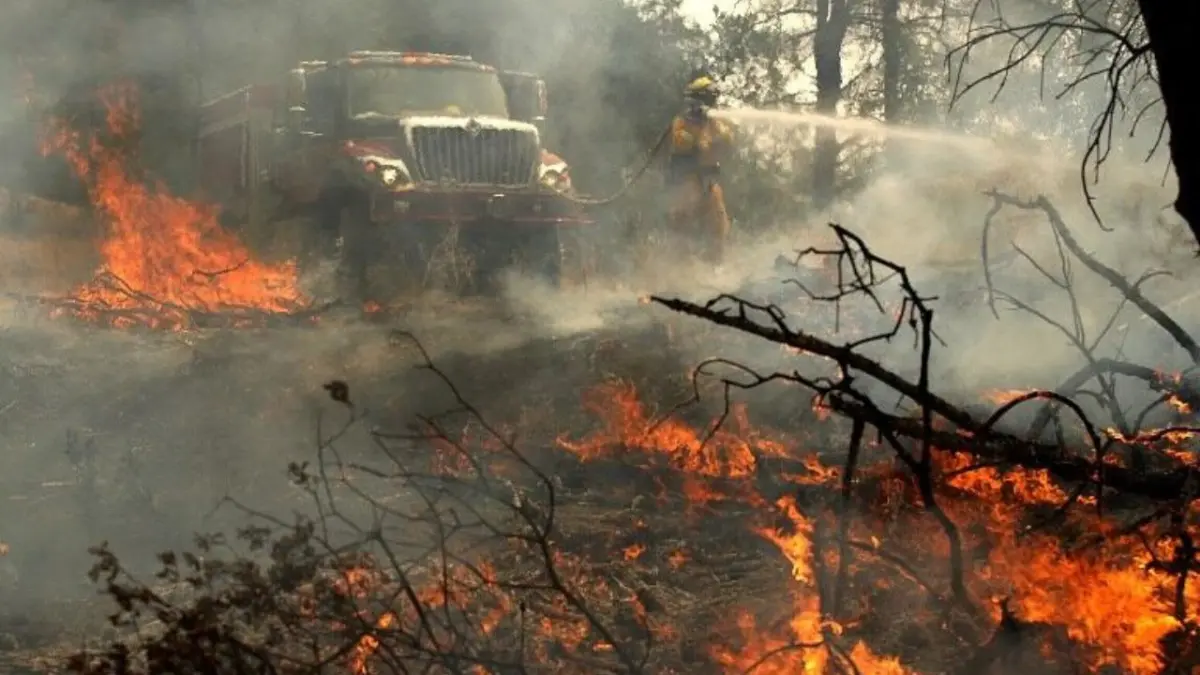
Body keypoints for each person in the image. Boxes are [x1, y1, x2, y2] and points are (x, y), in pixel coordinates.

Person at [664, 75, 736, 267]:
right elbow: (681, 142)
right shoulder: (682, 122)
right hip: (686, 179)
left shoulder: (715, 122)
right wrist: (698, 133)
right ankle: (681, 267)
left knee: (719, 221)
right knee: (682, 221)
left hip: (708, 179)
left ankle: (716, 265)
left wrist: (710, 125)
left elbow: (728, 139)